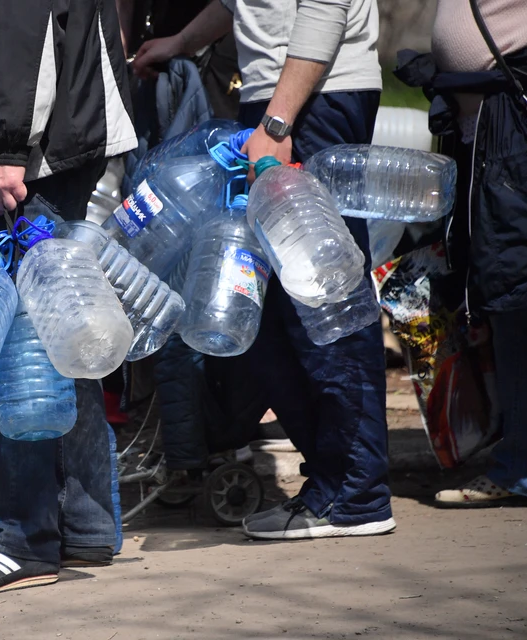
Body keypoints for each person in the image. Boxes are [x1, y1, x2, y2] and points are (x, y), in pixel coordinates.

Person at [134, 0, 396, 540]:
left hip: (315, 97)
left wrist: (278, 120)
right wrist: (184, 41)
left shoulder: (293, 107)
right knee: (268, 307)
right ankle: (332, 482)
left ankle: (356, 495)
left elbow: (328, 6)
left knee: (320, 298)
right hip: (276, 100)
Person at [0, 0, 136, 599]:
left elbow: (21, 22)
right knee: (57, 329)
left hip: (39, 152)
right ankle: (84, 520)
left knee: (23, 348)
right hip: (62, 140)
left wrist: (7, 144)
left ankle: (19, 537)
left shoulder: (16, 146)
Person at [425, 0, 527, 507]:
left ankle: (520, 467)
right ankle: (515, 453)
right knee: (501, 290)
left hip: (515, 121)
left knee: (516, 290)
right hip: (486, 126)